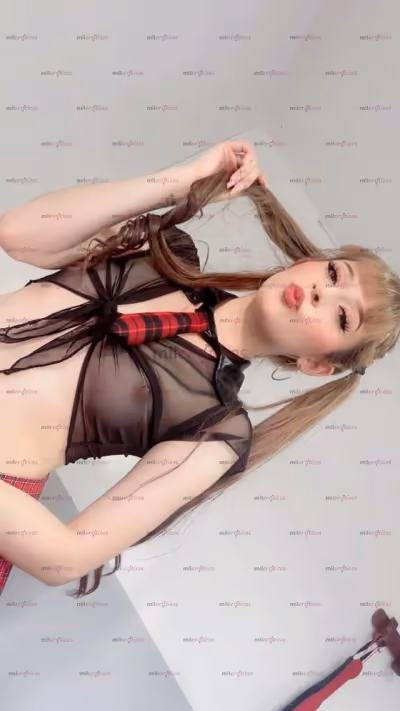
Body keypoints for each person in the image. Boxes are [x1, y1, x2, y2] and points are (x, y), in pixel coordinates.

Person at [0, 141, 398, 598]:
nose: (321, 294)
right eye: (333, 274)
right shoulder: (165, 253)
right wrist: (185, 180)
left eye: (343, 317)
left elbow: (65, 558)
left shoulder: (218, 430)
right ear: (308, 263)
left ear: (316, 365)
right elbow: (18, 234)